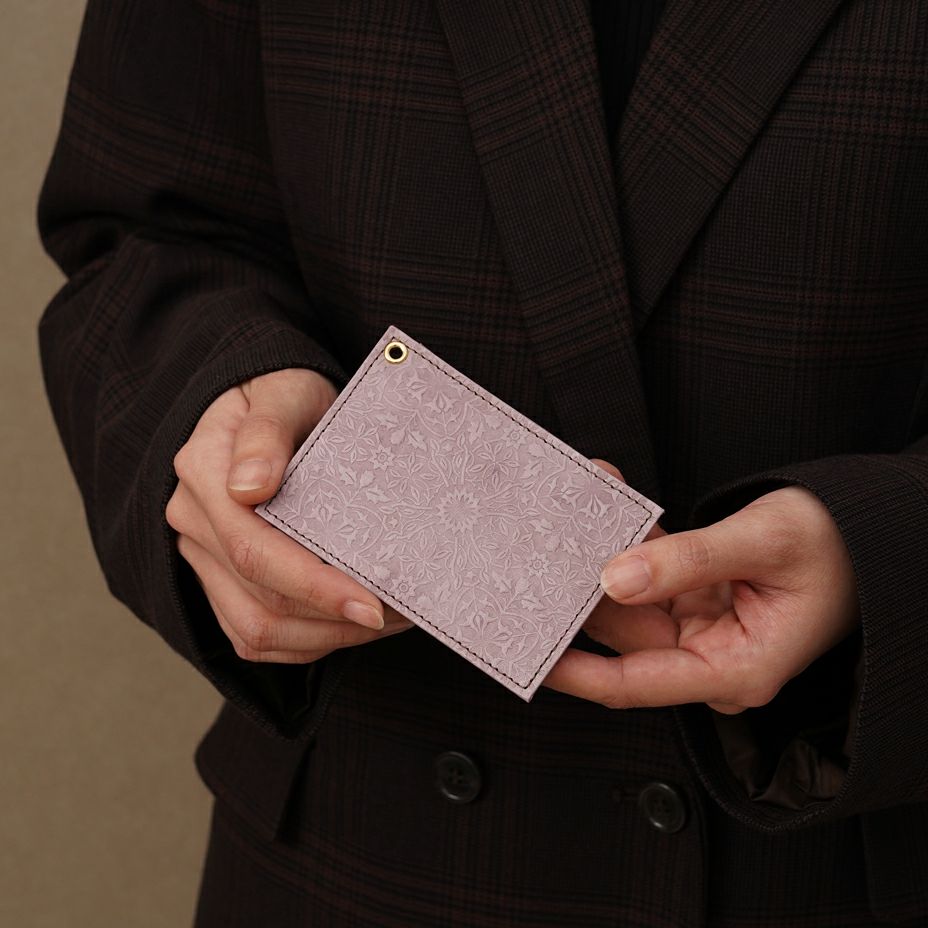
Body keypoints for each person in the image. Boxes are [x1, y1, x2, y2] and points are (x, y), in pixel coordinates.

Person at [38, 0, 928, 925]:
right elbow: (139, 230)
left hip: (834, 839)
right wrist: (224, 400)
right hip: (366, 843)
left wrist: (887, 557)